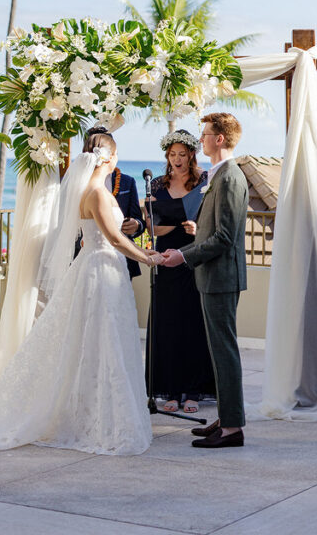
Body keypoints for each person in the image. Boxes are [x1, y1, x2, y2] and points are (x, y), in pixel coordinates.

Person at [0, 131, 162, 456]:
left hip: (103, 269)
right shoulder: (95, 193)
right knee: (102, 342)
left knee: (103, 341)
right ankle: (101, 420)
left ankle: (93, 411)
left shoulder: (90, 190)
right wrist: (148, 256)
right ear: (108, 159)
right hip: (99, 269)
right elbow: (113, 238)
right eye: (117, 155)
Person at [161, 112, 249, 449]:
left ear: (220, 139)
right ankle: (227, 418)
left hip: (221, 276)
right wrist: (185, 250)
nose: (201, 140)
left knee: (224, 352)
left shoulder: (228, 177)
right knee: (218, 350)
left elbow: (225, 237)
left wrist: (184, 256)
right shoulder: (219, 174)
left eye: (206, 134)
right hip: (212, 274)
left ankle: (232, 429)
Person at [146, 129, 214, 413]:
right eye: (172, 155)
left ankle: (194, 392)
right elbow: (152, 227)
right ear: (167, 156)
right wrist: (173, 227)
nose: (177, 160)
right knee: (169, 324)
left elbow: (210, 218)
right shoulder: (158, 185)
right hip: (165, 257)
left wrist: (197, 229)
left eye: (182, 155)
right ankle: (171, 390)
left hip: (193, 257)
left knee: (194, 324)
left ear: (191, 155)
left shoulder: (204, 181)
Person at [83, 125, 145, 279]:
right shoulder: (81, 185)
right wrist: (148, 258)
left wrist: (137, 225)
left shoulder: (127, 182)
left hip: (121, 259)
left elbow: (138, 218)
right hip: (92, 257)